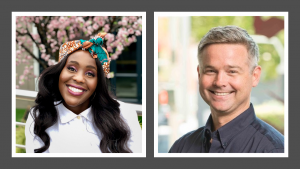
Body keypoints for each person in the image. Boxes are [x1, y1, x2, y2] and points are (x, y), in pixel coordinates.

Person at [169, 26, 284, 153]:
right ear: (199, 74)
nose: (219, 82)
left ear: (255, 76)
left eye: (232, 71)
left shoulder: (274, 151)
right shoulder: (181, 148)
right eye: (211, 71)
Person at [25, 33, 142, 153]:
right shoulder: (39, 116)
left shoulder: (124, 114)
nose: (79, 78)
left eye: (90, 74)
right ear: (59, 71)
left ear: (98, 83)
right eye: (71, 68)